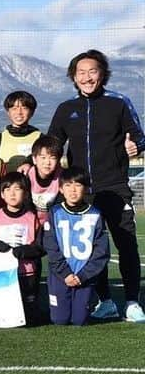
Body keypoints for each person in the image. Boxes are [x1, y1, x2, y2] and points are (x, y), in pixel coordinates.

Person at [48, 49, 145, 323]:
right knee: (91, 249)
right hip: (82, 191)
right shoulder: (66, 109)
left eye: (92, 71)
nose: (87, 77)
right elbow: (52, 145)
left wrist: (135, 144)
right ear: (73, 77)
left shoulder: (119, 103)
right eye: (81, 72)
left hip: (114, 187)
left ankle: (132, 301)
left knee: (125, 244)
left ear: (102, 74)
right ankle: (104, 301)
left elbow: (140, 136)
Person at [42, 167, 110, 326]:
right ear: (60, 189)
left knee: (80, 320)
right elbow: (51, 246)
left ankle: (87, 302)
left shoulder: (95, 214)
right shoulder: (55, 212)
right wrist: (65, 273)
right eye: (68, 185)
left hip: (84, 276)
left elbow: (101, 251)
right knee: (59, 320)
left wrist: (84, 275)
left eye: (78, 185)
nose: (73, 190)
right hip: (60, 275)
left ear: (86, 188)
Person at [0, 171, 44, 325]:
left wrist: (26, 251)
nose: (12, 193)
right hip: (2, 272)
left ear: (26, 194)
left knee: (29, 316)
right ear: (2, 194)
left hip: (27, 272)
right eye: (8, 189)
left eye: (17, 189)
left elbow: (40, 247)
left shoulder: (32, 217)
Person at [0, 91, 41, 173]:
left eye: (24, 108)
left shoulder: (40, 138)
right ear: (8, 112)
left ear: (32, 112)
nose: (19, 113)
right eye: (14, 108)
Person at [20, 135, 62, 225]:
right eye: (43, 157)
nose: (47, 162)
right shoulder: (27, 176)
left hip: (54, 222)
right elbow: (25, 205)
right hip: (30, 221)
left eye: (52, 158)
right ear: (34, 160)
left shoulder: (62, 178)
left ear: (58, 161)